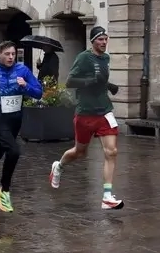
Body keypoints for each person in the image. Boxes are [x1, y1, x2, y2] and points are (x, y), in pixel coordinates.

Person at [49, 26, 124, 209]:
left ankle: (107, 196)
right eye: (100, 39)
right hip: (85, 112)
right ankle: (58, 166)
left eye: (106, 39)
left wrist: (109, 85)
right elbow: (70, 82)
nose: (104, 42)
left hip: (104, 111)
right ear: (93, 41)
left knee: (111, 152)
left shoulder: (105, 58)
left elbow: (100, 78)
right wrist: (90, 81)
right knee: (79, 152)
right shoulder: (83, 58)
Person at [0, 42, 43, 213]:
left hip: (15, 120)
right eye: (7, 54)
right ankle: (4, 190)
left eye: (13, 54)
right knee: (14, 151)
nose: (11, 57)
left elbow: (39, 92)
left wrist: (25, 86)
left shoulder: (23, 70)